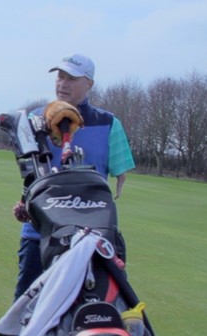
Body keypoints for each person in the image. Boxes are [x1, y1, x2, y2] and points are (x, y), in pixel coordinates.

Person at [13, 54, 135, 300]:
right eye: (60, 77)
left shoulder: (109, 123)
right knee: (26, 306)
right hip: (40, 230)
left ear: (89, 83)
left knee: (86, 304)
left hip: (89, 235)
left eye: (72, 78)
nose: (63, 84)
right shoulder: (34, 119)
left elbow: (119, 177)